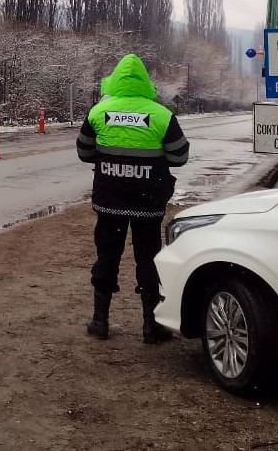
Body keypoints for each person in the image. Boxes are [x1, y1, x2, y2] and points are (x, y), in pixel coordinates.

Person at [76, 53, 190, 344]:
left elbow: (84, 152)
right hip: (147, 203)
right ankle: (151, 327)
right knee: (149, 259)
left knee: (107, 256)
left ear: (114, 80)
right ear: (146, 83)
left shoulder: (98, 112)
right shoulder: (162, 115)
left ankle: (100, 322)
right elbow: (180, 157)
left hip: (109, 201)